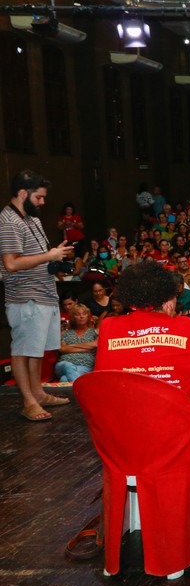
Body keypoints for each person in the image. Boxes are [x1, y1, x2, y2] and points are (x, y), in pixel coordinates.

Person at [94, 261, 190, 477]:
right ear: (168, 301)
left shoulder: (108, 327)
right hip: (177, 435)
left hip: (122, 435)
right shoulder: (188, 327)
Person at [0, 170, 74, 421]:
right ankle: (28, 401)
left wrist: (55, 257)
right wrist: (49, 256)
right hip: (25, 297)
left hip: (44, 293)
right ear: (23, 193)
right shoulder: (9, 221)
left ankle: (38, 392)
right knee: (22, 349)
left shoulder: (32, 219)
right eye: (39, 197)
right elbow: (10, 263)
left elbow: (39, 256)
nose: (43, 202)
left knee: (36, 350)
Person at [54, 303, 98, 382]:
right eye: (77, 314)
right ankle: (83, 390)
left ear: (88, 316)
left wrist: (70, 346)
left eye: (84, 314)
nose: (81, 317)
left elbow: (95, 344)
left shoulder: (94, 332)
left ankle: (72, 388)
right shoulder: (65, 333)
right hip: (63, 364)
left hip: (85, 365)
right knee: (67, 365)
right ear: (73, 317)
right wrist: (87, 348)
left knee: (64, 379)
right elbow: (62, 348)